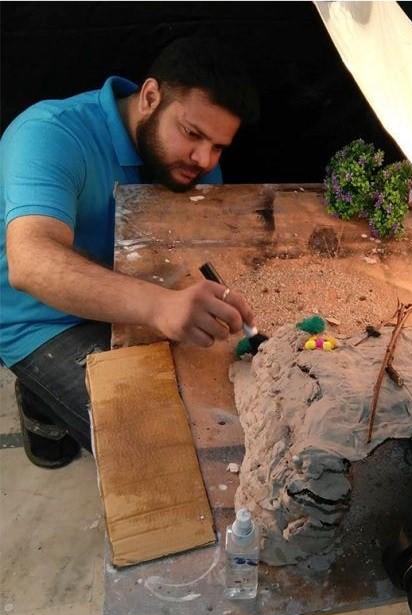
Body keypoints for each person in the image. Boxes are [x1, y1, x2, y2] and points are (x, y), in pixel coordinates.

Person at [0, 36, 260, 468]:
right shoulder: (50, 134)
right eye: (193, 134)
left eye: (218, 147)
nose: (204, 160)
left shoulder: (190, 160)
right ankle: (38, 396)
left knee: (229, 411)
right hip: (41, 318)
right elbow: (30, 262)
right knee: (158, 453)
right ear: (150, 96)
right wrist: (159, 306)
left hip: (137, 285)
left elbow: (195, 239)